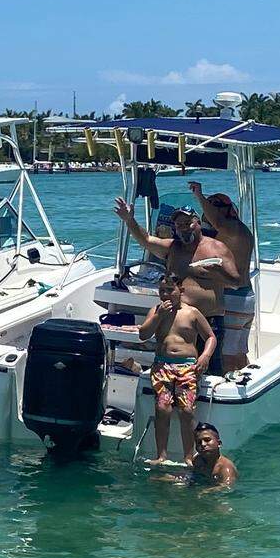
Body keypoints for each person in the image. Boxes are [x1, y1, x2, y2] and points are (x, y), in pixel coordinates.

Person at [114, 198, 239, 375]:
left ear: (198, 222)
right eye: (179, 224)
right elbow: (146, 240)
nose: (184, 227)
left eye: (188, 223)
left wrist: (218, 272)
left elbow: (236, 282)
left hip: (208, 320)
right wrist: (129, 220)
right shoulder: (173, 247)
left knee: (210, 371)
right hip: (176, 319)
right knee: (174, 368)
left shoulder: (217, 249)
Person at [139, 274, 216, 465]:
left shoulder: (192, 313)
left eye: (169, 290)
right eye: (161, 290)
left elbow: (210, 337)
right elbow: (143, 334)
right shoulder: (156, 310)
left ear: (180, 291)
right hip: (162, 365)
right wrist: (158, 316)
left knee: (186, 410)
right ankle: (161, 455)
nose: (165, 295)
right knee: (162, 408)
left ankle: (188, 456)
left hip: (187, 366)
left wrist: (205, 356)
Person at [189, 182, 256, 372]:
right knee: (238, 354)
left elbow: (218, 222)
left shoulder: (232, 229)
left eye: (213, 208)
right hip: (244, 298)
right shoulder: (236, 231)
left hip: (234, 299)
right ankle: (246, 383)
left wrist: (199, 196)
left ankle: (229, 394)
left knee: (227, 356)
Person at [191, 422, 238, 492]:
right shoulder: (197, 460)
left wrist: (207, 491)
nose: (203, 444)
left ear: (219, 444)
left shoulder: (226, 468)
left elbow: (227, 487)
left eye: (207, 440)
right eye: (199, 442)